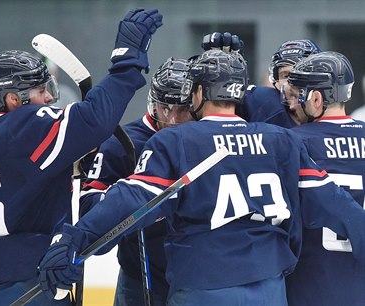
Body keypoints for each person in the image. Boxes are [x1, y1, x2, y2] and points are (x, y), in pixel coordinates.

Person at [37, 49, 365, 306]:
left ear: (197, 93)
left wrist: (75, 239)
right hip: (269, 286)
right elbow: (336, 203)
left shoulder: (174, 141)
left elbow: (131, 199)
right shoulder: (281, 140)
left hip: (204, 284)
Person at [0, 8, 163, 306]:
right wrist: (127, 62)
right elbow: (94, 119)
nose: (50, 97)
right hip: (23, 279)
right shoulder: (23, 125)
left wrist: (73, 164)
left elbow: (21, 187)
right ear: (14, 99)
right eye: (41, 90)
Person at [79, 57, 193, 306]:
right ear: (153, 103)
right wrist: (120, 198)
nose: (173, 118)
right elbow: (88, 207)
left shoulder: (203, 139)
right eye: (166, 107)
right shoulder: (122, 143)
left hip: (194, 277)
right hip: (140, 278)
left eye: (183, 109)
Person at [281, 51, 365, 306]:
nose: (293, 104)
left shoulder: (292, 141)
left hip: (312, 282)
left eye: (298, 96)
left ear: (316, 98)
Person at [202, 34, 322, 127]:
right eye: (285, 76)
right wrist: (223, 72)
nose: (291, 84)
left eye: (298, 75)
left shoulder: (334, 110)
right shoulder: (263, 102)